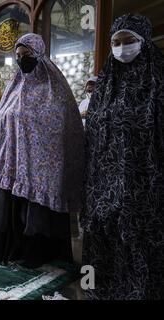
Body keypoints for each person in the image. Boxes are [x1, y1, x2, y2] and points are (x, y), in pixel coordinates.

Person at [0, 33, 85, 268]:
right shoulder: (13, 88)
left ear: (38, 54)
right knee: (15, 213)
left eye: (26, 55)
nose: (21, 60)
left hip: (41, 173)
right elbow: (3, 120)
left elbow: (63, 125)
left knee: (36, 215)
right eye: (17, 56)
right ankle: (15, 249)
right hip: (15, 167)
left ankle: (40, 253)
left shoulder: (55, 89)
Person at [82, 14, 164, 300]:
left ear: (143, 42)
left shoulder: (159, 82)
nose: (120, 48)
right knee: (104, 239)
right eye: (115, 42)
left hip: (145, 183)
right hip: (103, 182)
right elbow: (92, 128)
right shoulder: (106, 82)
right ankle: (97, 288)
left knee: (140, 242)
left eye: (128, 41)